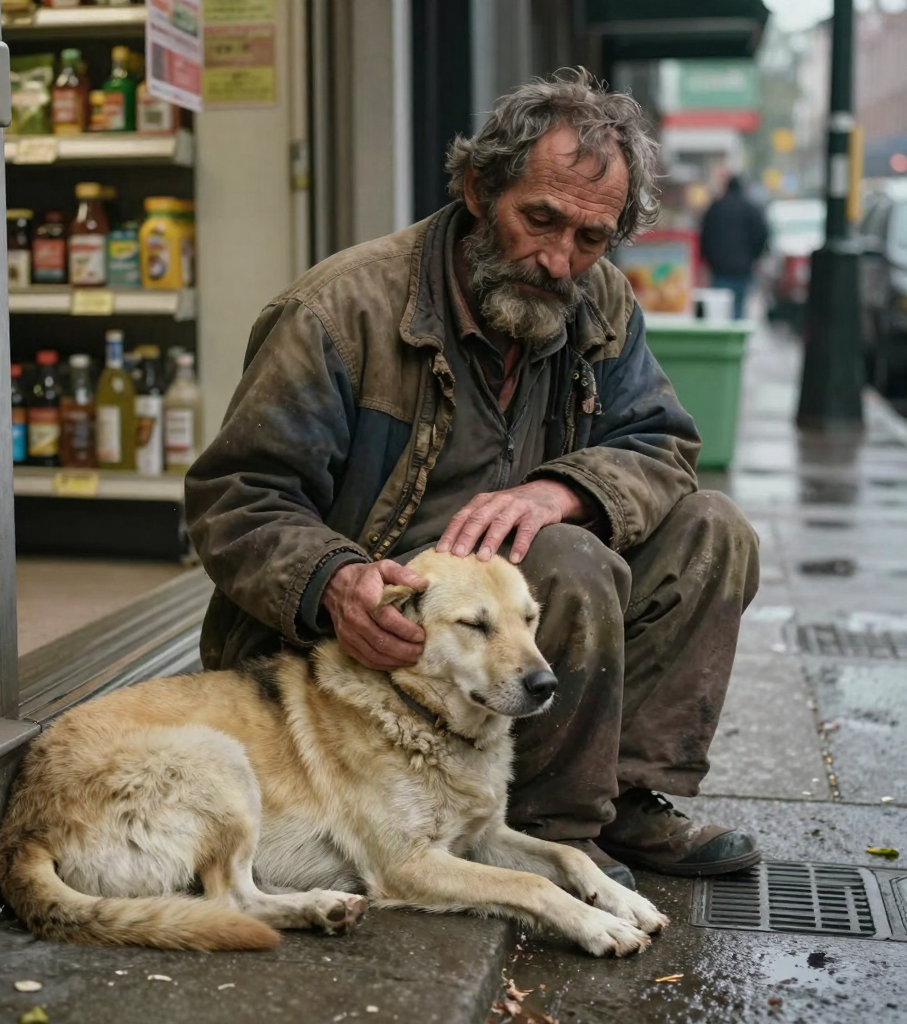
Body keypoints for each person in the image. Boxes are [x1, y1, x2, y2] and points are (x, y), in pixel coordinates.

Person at [185, 70, 761, 891]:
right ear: (477, 187)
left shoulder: (597, 301)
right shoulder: (339, 312)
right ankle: (544, 830)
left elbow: (662, 442)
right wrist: (334, 581)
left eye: (592, 239)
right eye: (541, 219)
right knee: (568, 560)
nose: (559, 259)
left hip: (505, 614)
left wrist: (565, 487)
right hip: (355, 640)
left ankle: (624, 795)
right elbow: (236, 497)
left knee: (714, 531)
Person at [698, 175, 769, 319]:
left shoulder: (716, 208)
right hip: (743, 269)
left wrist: (709, 259)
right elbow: (762, 234)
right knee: (738, 308)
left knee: (720, 310)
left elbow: (705, 235)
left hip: (719, 270)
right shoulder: (751, 209)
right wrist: (754, 257)